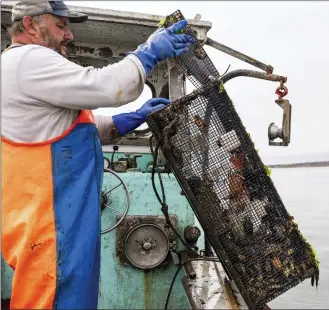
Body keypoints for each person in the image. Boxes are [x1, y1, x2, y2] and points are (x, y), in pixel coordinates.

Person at [1, 1, 195, 309]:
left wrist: (128, 120)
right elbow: (106, 86)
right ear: (29, 25)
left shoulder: (21, 70)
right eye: (60, 26)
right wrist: (148, 53)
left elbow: (71, 127)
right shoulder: (27, 60)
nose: (69, 36)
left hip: (54, 225)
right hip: (52, 229)